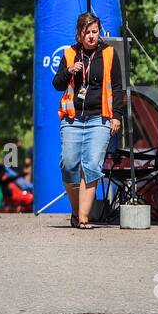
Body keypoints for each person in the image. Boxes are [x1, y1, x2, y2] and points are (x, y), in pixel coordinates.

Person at [52, 11, 122, 229]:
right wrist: (69, 71)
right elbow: (57, 84)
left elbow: (118, 88)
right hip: (73, 118)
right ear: (79, 34)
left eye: (95, 31)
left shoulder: (109, 53)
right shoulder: (70, 53)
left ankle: (83, 217)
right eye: (87, 32)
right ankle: (75, 211)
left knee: (92, 165)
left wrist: (117, 116)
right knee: (69, 165)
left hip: (99, 118)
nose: (92, 36)